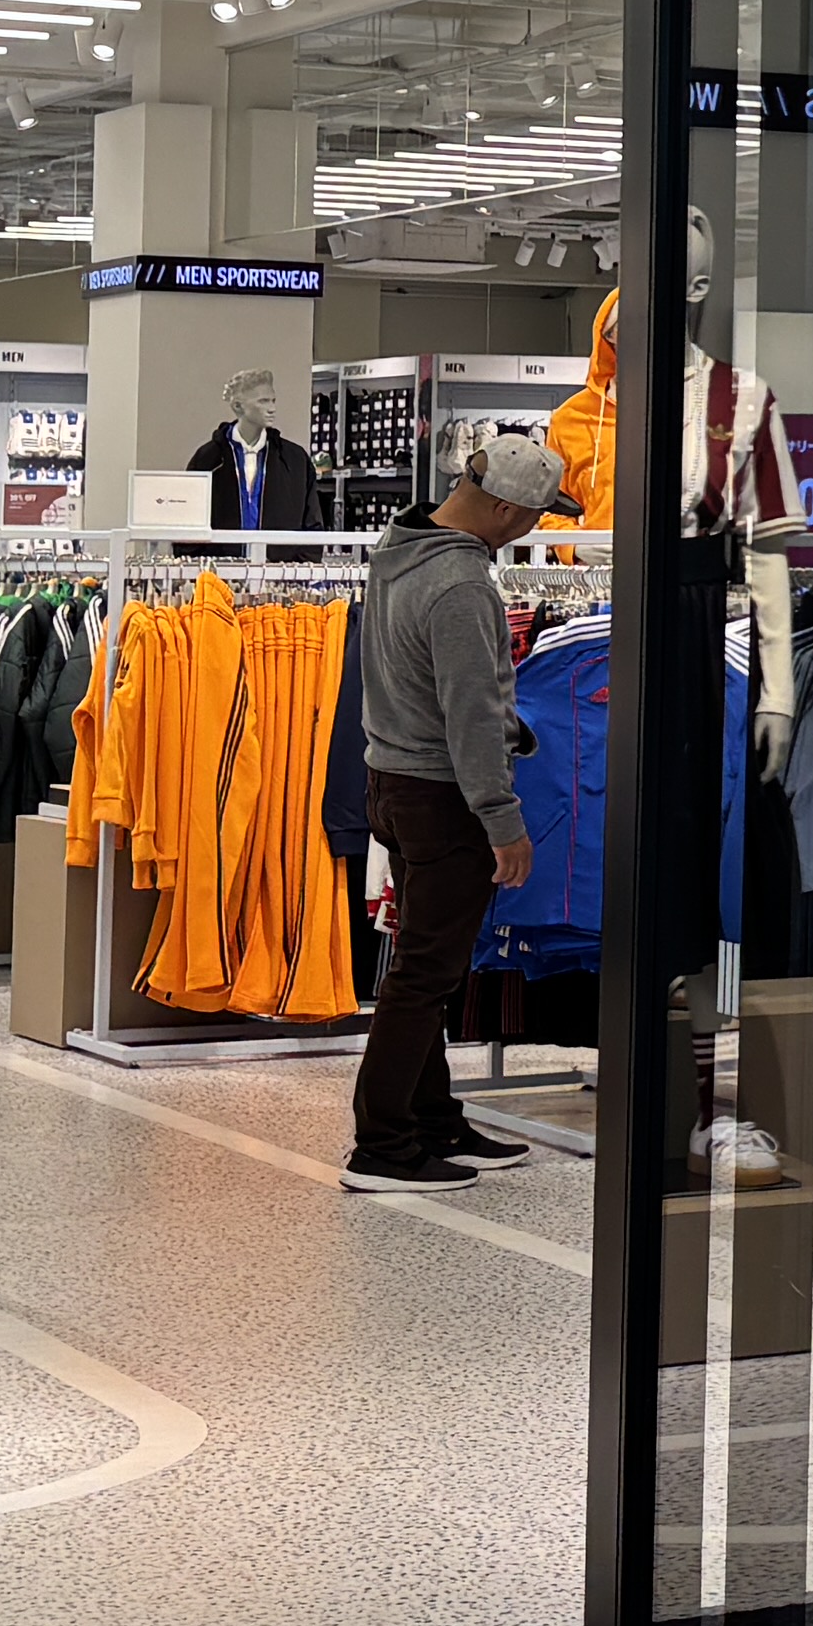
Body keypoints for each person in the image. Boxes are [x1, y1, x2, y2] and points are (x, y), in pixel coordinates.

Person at [350, 431, 560, 1195]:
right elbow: (472, 713)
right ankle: (382, 1146)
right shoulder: (464, 586)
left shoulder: (398, 549)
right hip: (443, 798)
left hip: (393, 782)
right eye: (535, 514)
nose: (538, 528)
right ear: (503, 507)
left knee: (420, 963)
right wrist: (502, 821)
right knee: (423, 974)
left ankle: (431, 1115)